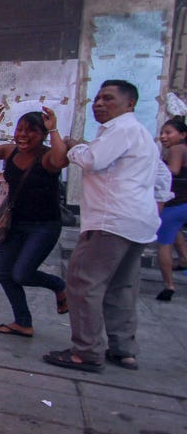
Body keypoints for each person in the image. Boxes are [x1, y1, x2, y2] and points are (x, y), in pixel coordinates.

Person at [44, 80, 172, 372]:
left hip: (111, 220)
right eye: (97, 98)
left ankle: (86, 351)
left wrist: (76, 147)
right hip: (137, 221)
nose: (99, 103)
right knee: (121, 286)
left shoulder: (122, 129)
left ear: (129, 104)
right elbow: (161, 180)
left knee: (83, 283)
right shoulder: (142, 136)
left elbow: (93, 160)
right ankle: (123, 349)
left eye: (108, 98)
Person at [0, 106, 70, 337]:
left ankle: (60, 286)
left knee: (22, 273)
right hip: (14, 224)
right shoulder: (8, 151)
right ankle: (23, 322)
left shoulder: (47, 157)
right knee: (4, 274)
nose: (23, 135)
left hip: (44, 225)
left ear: (42, 135)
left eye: (31, 131)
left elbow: (61, 159)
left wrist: (53, 128)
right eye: (19, 129)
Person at [154, 118, 187, 301]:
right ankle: (183, 260)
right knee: (176, 233)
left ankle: (169, 285)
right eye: (162, 133)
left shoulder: (176, 149)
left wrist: (154, 164)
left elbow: (172, 171)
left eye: (169, 133)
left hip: (174, 204)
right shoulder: (184, 149)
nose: (163, 137)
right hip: (184, 204)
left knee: (164, 244)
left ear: (182, 135)